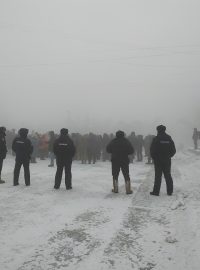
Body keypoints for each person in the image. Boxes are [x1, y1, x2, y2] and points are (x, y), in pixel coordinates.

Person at [150, 125, 176, 196]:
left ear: (158, 130)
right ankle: (170, 191)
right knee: (168, 175)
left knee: (158, 176)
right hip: (167, 160)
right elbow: (173, 150)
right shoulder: (168, 138)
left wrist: (155, 158)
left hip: (158, 161)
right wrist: (168, 156)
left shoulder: (156, 138)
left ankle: (156, 192)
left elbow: (152, 150)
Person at [106, 130, 134, 194]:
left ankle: (115, 189)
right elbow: (131, 151)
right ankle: (128, 190)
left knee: (115, 174)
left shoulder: (113, 141)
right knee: (126, 174)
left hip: (115, 160)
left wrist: (113, 152)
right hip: (124, 160)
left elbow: (108, 149)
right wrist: (126, 152)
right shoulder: (126, 141)